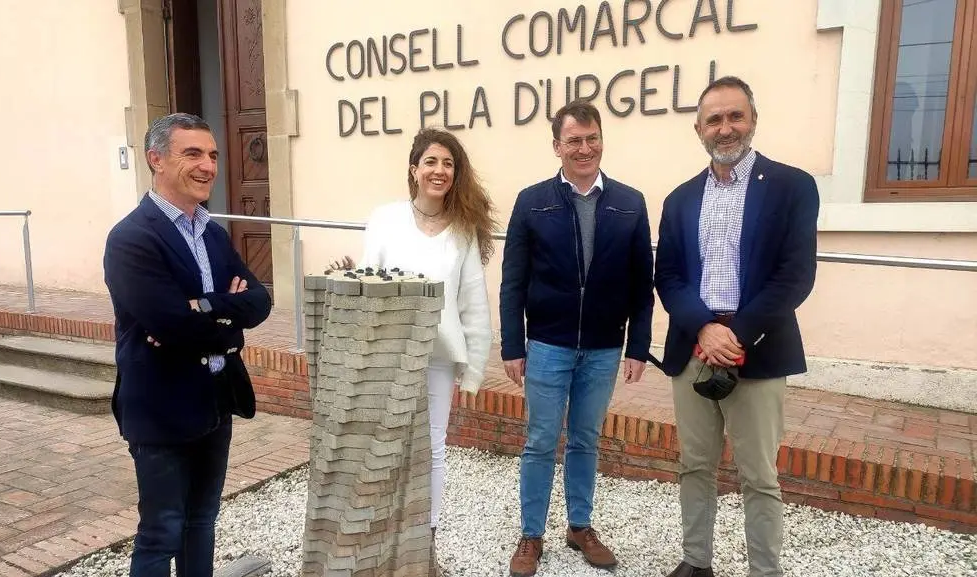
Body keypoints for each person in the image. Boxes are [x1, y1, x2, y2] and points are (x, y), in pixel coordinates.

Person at [654, 76, 819, 577]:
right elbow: (670, 275)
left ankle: (765, 571)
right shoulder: (680, 198)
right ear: (698, 128)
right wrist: (705, 327)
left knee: (760, 476)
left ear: (753, 119)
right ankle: (695, 563)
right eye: (714, 119)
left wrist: (737, 332)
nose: (725, 128)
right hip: (694, 349)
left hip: (760, 349)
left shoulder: (792, 186)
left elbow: (795, 275)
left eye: (735, 116)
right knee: (695, 465)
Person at [103, 113, 272, 577]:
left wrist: (202, 309)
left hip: (214, 400)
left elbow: (259, 301)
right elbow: (169, 322)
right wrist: (221, 315)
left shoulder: (212, 232)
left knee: (202, 520)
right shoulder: (131, 238)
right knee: (162, 530)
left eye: (213, 154)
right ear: (155, 159)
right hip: (161, 404)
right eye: (192, 153)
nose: (208, 166)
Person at [499, 99, 655, 577]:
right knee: (541, 439)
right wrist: (512, 344)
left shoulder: (630, 202)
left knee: (586, 438)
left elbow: (641, 282)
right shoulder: (532, 200)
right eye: (574, 140)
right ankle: (531, 534)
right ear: (557, 146)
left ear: (601, 140)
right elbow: (513, 279)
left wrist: (639, 344)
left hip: (605, 347)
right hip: (547, 344)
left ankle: (580, 526)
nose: (584, 148)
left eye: (592, 138)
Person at [328, 127, 495, 538]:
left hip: (437, 356)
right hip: (389, 352)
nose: (440, 171)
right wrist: (348, 277)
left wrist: (474, 368)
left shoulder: (462, 229)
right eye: (432, 162)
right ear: (414, 169)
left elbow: (473, 300)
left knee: (433, 447)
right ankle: (385, 530)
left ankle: (427, 535)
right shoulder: (386, 218)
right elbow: (371, 278)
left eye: (449, 164)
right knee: (387, 441)